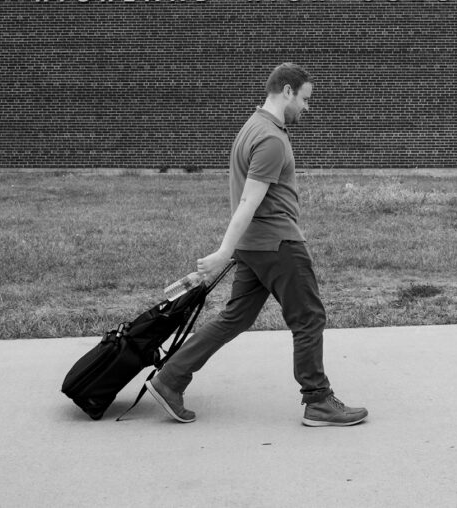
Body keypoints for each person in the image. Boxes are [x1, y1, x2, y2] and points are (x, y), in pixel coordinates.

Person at [145, 63, 367, 427]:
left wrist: (236, 248)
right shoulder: (271, 140)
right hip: (278, 244)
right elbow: (248, 201)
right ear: (287, 92)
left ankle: (170, 379)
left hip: (256, 245)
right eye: (305, 99)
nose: (306, 109)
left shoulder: (252, 127)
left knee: (236, 317)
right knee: (309, 317)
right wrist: (222, 253)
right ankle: (318, 401)